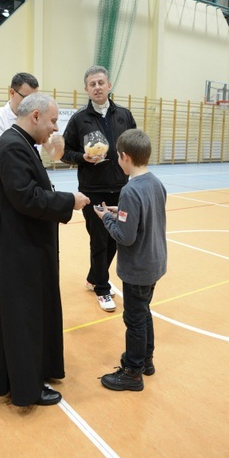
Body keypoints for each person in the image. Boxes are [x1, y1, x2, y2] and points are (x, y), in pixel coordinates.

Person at [0, 93, 90, 407]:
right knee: (23, 312)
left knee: (11, 309)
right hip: (18, 242)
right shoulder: (12, 147)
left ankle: (6, 369)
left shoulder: (16, 142)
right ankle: (27, 385)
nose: (54, 128)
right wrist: (68, 201)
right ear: (35, 116)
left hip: (12, 236)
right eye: (52, 121)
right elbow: (28, 198)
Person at [94, 129, 167, 391]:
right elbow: (143, 216)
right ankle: (146, 361)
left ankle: (133, 372)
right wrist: (119, 211)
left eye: (117, 156)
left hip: (138, 267)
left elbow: (124, 237)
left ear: (124, 157)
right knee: (143, 312)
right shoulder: (156, 183)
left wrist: (107, 218)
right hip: (155, 262)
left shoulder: (129, 191)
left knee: (134, 319)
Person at [61, 65, 136, 312]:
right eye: (92, 84)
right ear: (86, 89)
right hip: (93, 191)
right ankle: (102, 289)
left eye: (100, 83)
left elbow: (134, 146)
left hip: (122, 189)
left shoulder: (124, 115)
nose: (97, 87)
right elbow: (64, 152)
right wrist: (83, 157)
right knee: (99, 241)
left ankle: (94, 278)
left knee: (117, 239)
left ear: (109, 85)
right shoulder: (79, 119)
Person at [0, 72, 39, 150]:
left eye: (35, 98)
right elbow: (0, 154)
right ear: (12, 92)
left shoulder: (38, 117)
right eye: (27, 98)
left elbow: (52, 151)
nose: (32, 103)